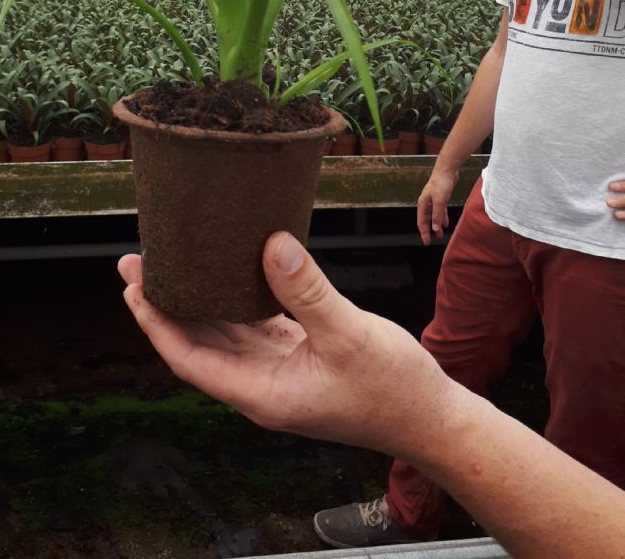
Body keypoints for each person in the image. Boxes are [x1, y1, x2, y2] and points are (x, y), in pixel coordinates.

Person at [310, 0, 625, 548]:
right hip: (506, 200)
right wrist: (450, 163)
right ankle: (411, 515)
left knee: (593, 425)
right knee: (438, 375)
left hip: (605, 238)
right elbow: (506, 47)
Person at [118, 232, 625, 559]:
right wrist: (430, 413)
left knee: (590, 411)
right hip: (509, 192)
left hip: (601, 227)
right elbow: (504, 58)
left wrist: (421, 412)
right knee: (447, 357)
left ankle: (562, 518)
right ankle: (411, 514)